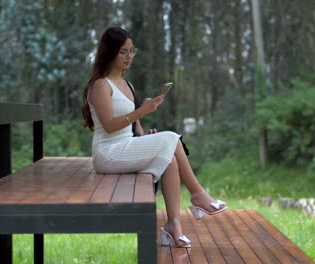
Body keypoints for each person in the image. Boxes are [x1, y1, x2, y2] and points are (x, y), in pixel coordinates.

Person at [81, 27, 227, 248]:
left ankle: (173, 226)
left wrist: (145, 136)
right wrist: (142, 110)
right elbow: (110, 126)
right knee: (171, 138)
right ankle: (198, 195)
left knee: (170, 159)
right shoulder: (101, 84)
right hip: (107, 153)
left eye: (132, 51)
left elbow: (135, 128)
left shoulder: (127, 85)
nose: (129, 57)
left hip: (126, 145)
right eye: (123, 52)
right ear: (109, 52)